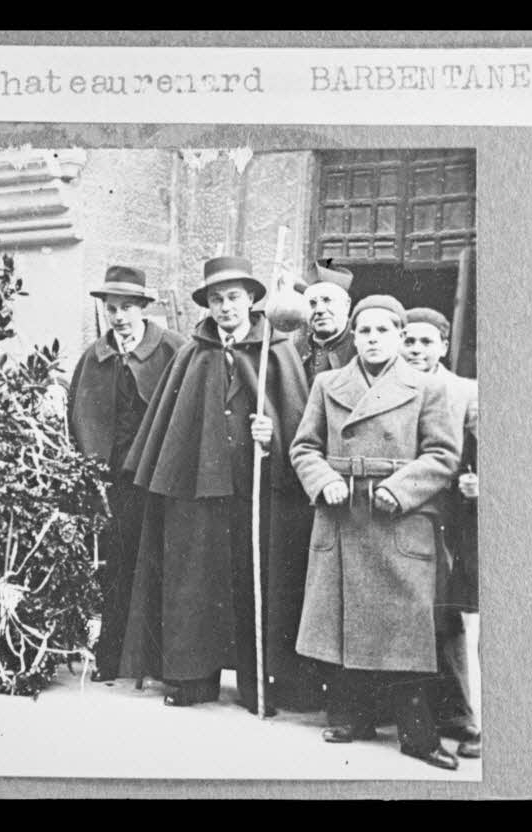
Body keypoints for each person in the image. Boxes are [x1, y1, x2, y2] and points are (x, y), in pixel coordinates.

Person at [120, 255, 318, 714]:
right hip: (198, 492)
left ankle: (257, 682)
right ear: (207, 305)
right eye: (216, 299)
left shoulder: (278, 349)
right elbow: (171, 427)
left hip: (257, 493)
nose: (226, 307)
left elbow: (299, 422)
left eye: (233, 297)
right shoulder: (194, 353)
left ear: (251, 299)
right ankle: (193, 679)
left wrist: (274, 438)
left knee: (259, 585)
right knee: (195, 584)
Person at [289, 295, 462, 770]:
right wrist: (323, 480)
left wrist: (400, 489)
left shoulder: (427, 388)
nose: (371, 340)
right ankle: (353, 717)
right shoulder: (328, 384)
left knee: (404, 626)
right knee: (344, 618)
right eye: (364, 331)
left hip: (396, 516)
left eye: (383, 331)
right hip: (342, 512)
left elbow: (443, 455)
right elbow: (304, 446)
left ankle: (417, 734)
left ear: (400, 337)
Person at [67, 265, 185, 683]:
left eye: (127, 307)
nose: (118, 316)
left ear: (143, 309)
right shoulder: (95, 356)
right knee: (118, 565)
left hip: (159, 477)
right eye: (111, 308)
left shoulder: (172, 348)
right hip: (116, 481)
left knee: (161, 564)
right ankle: (113, 656)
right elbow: (79, 415)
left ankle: (161, 662)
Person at [402, 306, 481, 759]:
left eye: (425, 342)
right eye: (409, 341)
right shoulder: (390, 388)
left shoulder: (464, 391)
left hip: (449, 515)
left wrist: (477, 483)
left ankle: (462, 716)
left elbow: (488, 447)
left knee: (445, 614)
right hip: (403, 512)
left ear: (444, 346)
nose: (415, 350)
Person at [292, 259, 357, 389]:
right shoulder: (295, 349)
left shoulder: (359, 346)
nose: (319, 310)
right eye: (312, 303)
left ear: (346, 304)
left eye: (327, 300)